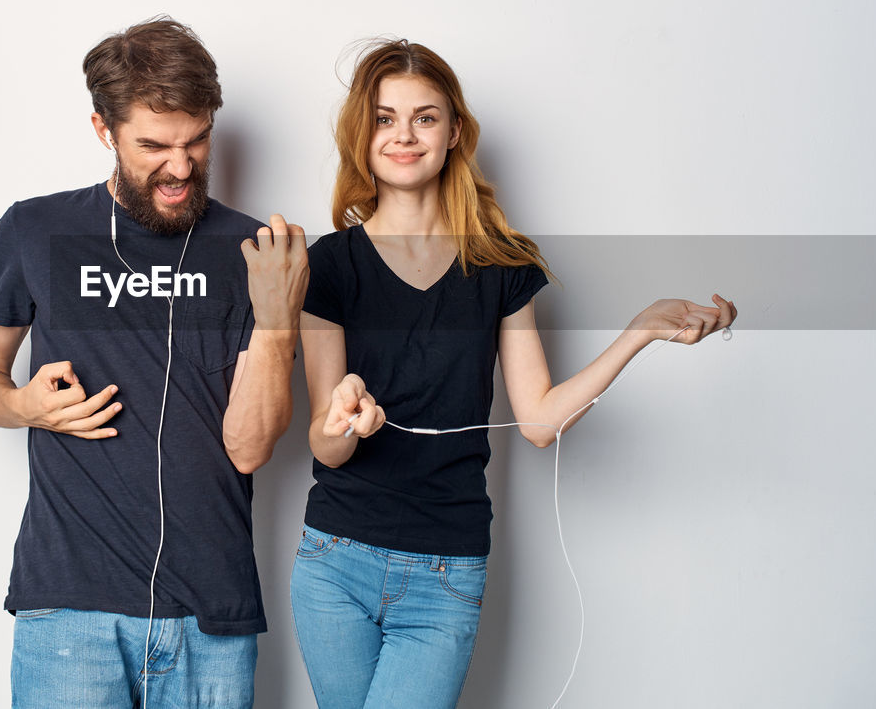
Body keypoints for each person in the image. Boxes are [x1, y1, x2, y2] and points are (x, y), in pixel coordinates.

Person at [290, 40, 737, 708]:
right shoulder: (327, 267)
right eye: (384, 118)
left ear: (455, 133)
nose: (404, 135)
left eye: (425, 117)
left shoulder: (501, 266)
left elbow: (538, 422)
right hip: (334, 562)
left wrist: (638, 334)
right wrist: (343, 420)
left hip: (446, 569)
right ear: (362, 134)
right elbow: (325, 446)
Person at [0, 17, 308, 708]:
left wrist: (275, 321)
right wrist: (23, 404)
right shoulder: (36, 231)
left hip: (211, 618)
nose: (180, 167)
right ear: (104, 130)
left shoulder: (256, 252)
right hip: (69, 610)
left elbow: (249, 446)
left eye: (197, 140)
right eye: (154, 145)